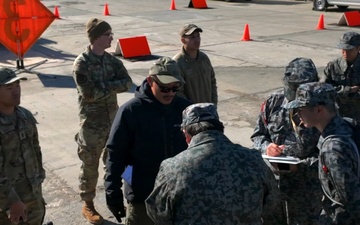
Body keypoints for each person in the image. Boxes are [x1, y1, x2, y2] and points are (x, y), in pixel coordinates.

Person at [145, 103, 280, 225]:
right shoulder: (253, 159)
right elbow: (271, 201)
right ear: (220, 128)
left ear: (186, 134)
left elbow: (158, 212)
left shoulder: (172, 167)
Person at [104, 57, 192, 225]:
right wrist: (112, 192)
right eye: (165, 87)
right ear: (151, 81)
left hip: (180, 196)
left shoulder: (186, 109)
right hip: (144, 198)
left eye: (175, 87)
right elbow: (116, 154)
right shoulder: (130, 111)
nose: (171, 93)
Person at [72, 17, 133, 224]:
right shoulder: (82, 63)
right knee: (89, 167)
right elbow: (89, 94)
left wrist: (105, 87)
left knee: (115, 164)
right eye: (108, 35)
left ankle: (114, 199)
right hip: (91, 126)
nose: (112, 38)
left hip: (112, 123)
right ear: (97, 37)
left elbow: (127, 83)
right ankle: (87, 205)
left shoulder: (112, 61)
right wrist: (111, 86)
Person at [251, 58, 323, 225]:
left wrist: (302, 165)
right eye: (293, 87)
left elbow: (329, 151)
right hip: (274, 186)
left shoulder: (323, 108)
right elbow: (258, 135)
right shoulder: (273, 102)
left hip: (306, 189)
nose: (297, 93)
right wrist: (267, 147)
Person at [284, 82, 360, 225]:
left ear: (319, 110)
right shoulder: (347, 125)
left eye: (301, 109)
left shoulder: (332, 149)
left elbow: (350, 200)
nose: (297, 114)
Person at [0, 67, 46, 225]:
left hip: (32, 196)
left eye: (17, 86)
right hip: (8, 204)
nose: (16, 91)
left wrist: (39, 177)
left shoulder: (25, 116)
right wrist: (12, 201)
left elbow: (35, 149)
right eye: (9, 88)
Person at [173, 24, 218, 104]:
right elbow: (178, 92)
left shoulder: (204, 58)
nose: (197, 40)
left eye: (198, 36)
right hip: (192, 113)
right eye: (193, 37)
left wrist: (213, 104)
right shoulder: (178, 63)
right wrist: (192, 110)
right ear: (183, 40)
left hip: (208, 111)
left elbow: (212, 81)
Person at [322, 31, 360, 121]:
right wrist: (347, 90)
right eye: (343, 49)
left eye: (349, 50)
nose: (345, 53)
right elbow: (323, 89)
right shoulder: (333, 66)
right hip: (337, 115)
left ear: (358, 48)